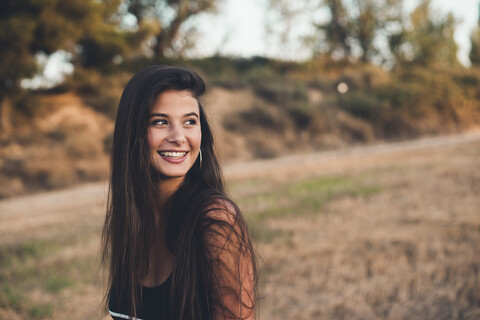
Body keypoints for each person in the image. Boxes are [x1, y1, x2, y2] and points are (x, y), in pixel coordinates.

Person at [101, 65, 257, 320]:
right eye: (160, 122)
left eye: (189, 122)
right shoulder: (132, 218)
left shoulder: (215, 220)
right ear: (133, 133)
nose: (179, 137)